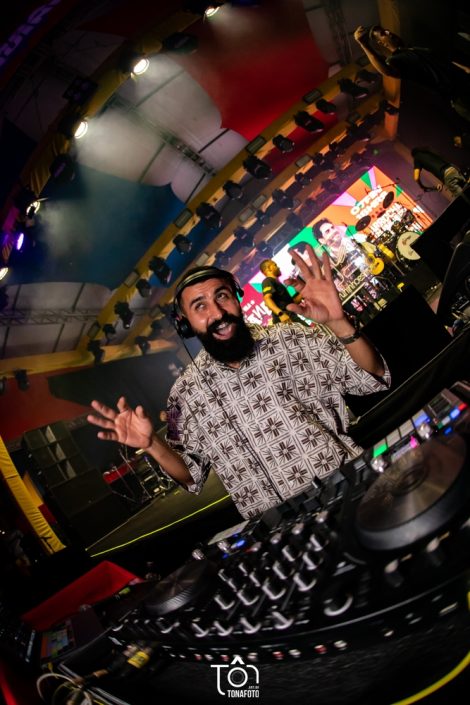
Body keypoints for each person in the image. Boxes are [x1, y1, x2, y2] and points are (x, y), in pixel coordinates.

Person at [88, 247, 390, 519]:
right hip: (279, 527)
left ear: (237, 298)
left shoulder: (291, 338)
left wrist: (338, 322)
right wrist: (152, 445)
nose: (218, 313)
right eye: (200, 306)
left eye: (222, 296)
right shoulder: (183, 396)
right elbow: (191, 475)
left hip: (351, 490)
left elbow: (373, 377)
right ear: (185, 324)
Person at [353, 25, 470, 128]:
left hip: (465, 80)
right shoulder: (395, 59)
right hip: (459, 95)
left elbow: (442, 60)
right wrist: (364, 44)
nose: (389, 32)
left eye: (387, 30)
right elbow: (387, 71)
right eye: (383, 34)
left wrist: (465, 68)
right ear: (381, 43)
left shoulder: (414, 49)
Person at [260, 258, 308, 325]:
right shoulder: (268, 281)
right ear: (268, 269)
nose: (278, 267)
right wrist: (281, 314)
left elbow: (291, 303)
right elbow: (267, 299)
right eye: (275, 265)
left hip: (290, 317)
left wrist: (305, 291)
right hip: (285, 320)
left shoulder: (277, 283)